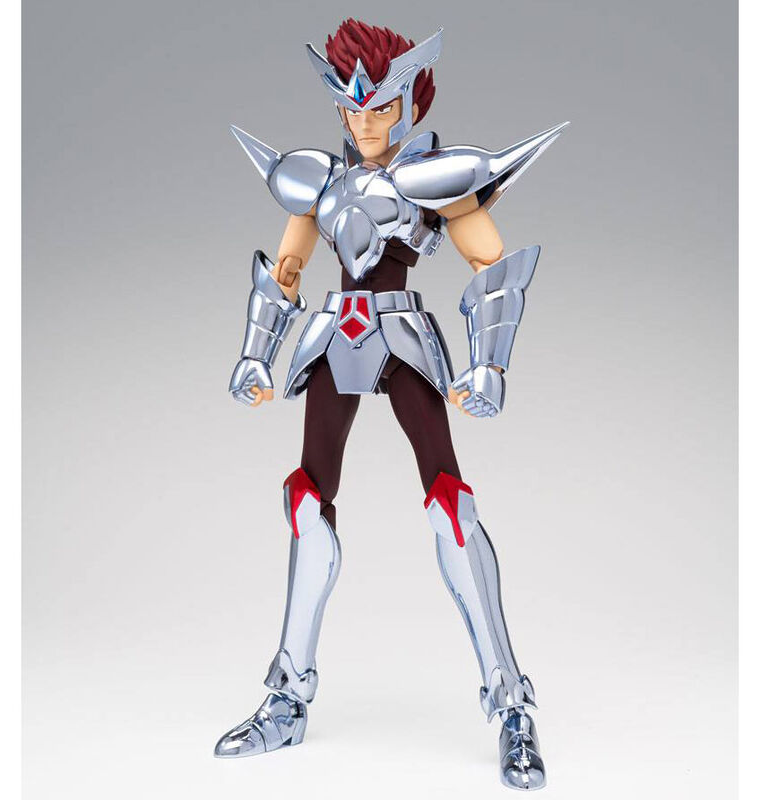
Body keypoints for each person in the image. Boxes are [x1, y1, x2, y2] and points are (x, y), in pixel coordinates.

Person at [214, 18, 567, 791]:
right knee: (305, 502)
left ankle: (511, 705)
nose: (365, 123)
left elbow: (491, 262)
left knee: (451, 506)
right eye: (351, 108)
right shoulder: (317, 179)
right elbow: (286, 269)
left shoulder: (431, 177)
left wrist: (489, 365)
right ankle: (287, 697)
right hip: (332, 337)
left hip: (403, 337)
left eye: (379, 107)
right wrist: (255, 353)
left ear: (408, 102)